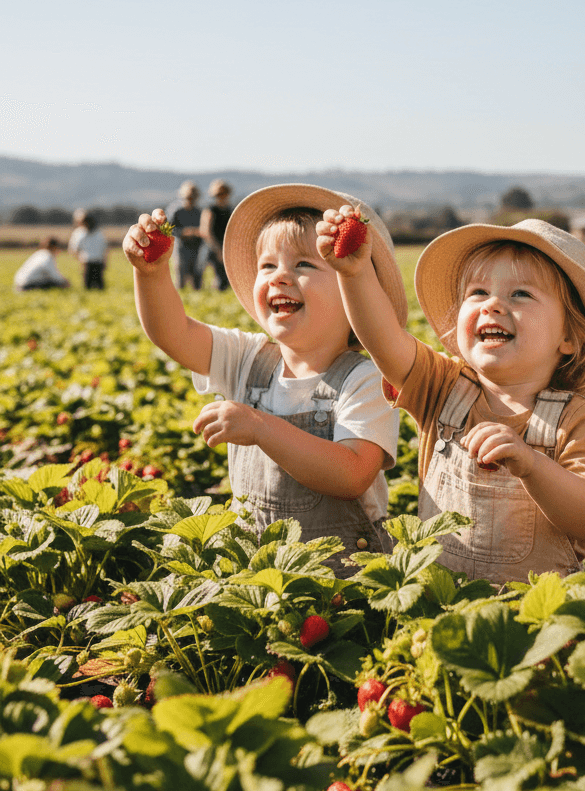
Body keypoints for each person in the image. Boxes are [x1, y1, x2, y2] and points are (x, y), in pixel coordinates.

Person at [318, 210, 585, 587]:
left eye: (521, 294)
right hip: (438, 608)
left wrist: (532, 465)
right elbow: (383, 341)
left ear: (569, 338)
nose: (491, 305)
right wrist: (354, 273)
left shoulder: (575, 419)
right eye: (477, 292)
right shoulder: (441, 386)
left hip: (536, 621)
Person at [123, 185, 408, 571]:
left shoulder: (366, 378)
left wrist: (259, 426)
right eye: (267, 265)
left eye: (304, 265)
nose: (279, 277)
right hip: (259, 573)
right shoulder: (248, 358)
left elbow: (352, 473)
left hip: (344, 581)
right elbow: (174, 333)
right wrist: (151, 274)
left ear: (355, 292)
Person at [167, 180, 204, 290]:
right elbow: (168, 229)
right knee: (180, 275)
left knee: (197, 275)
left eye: (193, 197)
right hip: (180, 247)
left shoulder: (200, 212)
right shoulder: (177, 211)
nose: (191, 200)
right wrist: (183, 232)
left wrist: (197, 232)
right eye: (188, 197)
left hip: (197, 248)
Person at [200, 178, 233, 290]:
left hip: (226, 247)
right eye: (219, 194)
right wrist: (218, 249)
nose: (221, 196)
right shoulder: (210, 210)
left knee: (227, 278)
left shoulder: (229, 210)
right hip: (214, 248)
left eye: (223, 193)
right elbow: (205, 232)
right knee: (218, 277)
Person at [73, 211, 108, 290]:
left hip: (88, 262)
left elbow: (74, 249)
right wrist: (105, 261)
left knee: (88, 286)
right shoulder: (99, 233)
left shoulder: (79, 233)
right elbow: (104, 248)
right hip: (97, 262)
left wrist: (79, 259)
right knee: (99, 286)